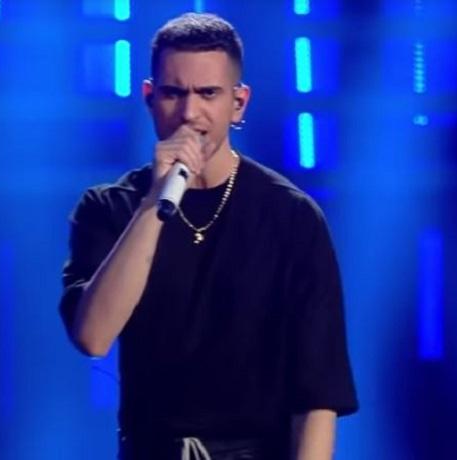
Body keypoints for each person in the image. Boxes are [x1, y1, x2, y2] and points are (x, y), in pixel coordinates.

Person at [59, 12, 358, 460]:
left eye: (208, 94)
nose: (189, 113)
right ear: (149, 98)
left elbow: (317, 392)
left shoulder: (290, 217)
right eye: (173, 93)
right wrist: (155, 203)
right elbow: (93, 336)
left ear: (238, 103)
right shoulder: (109, 209)